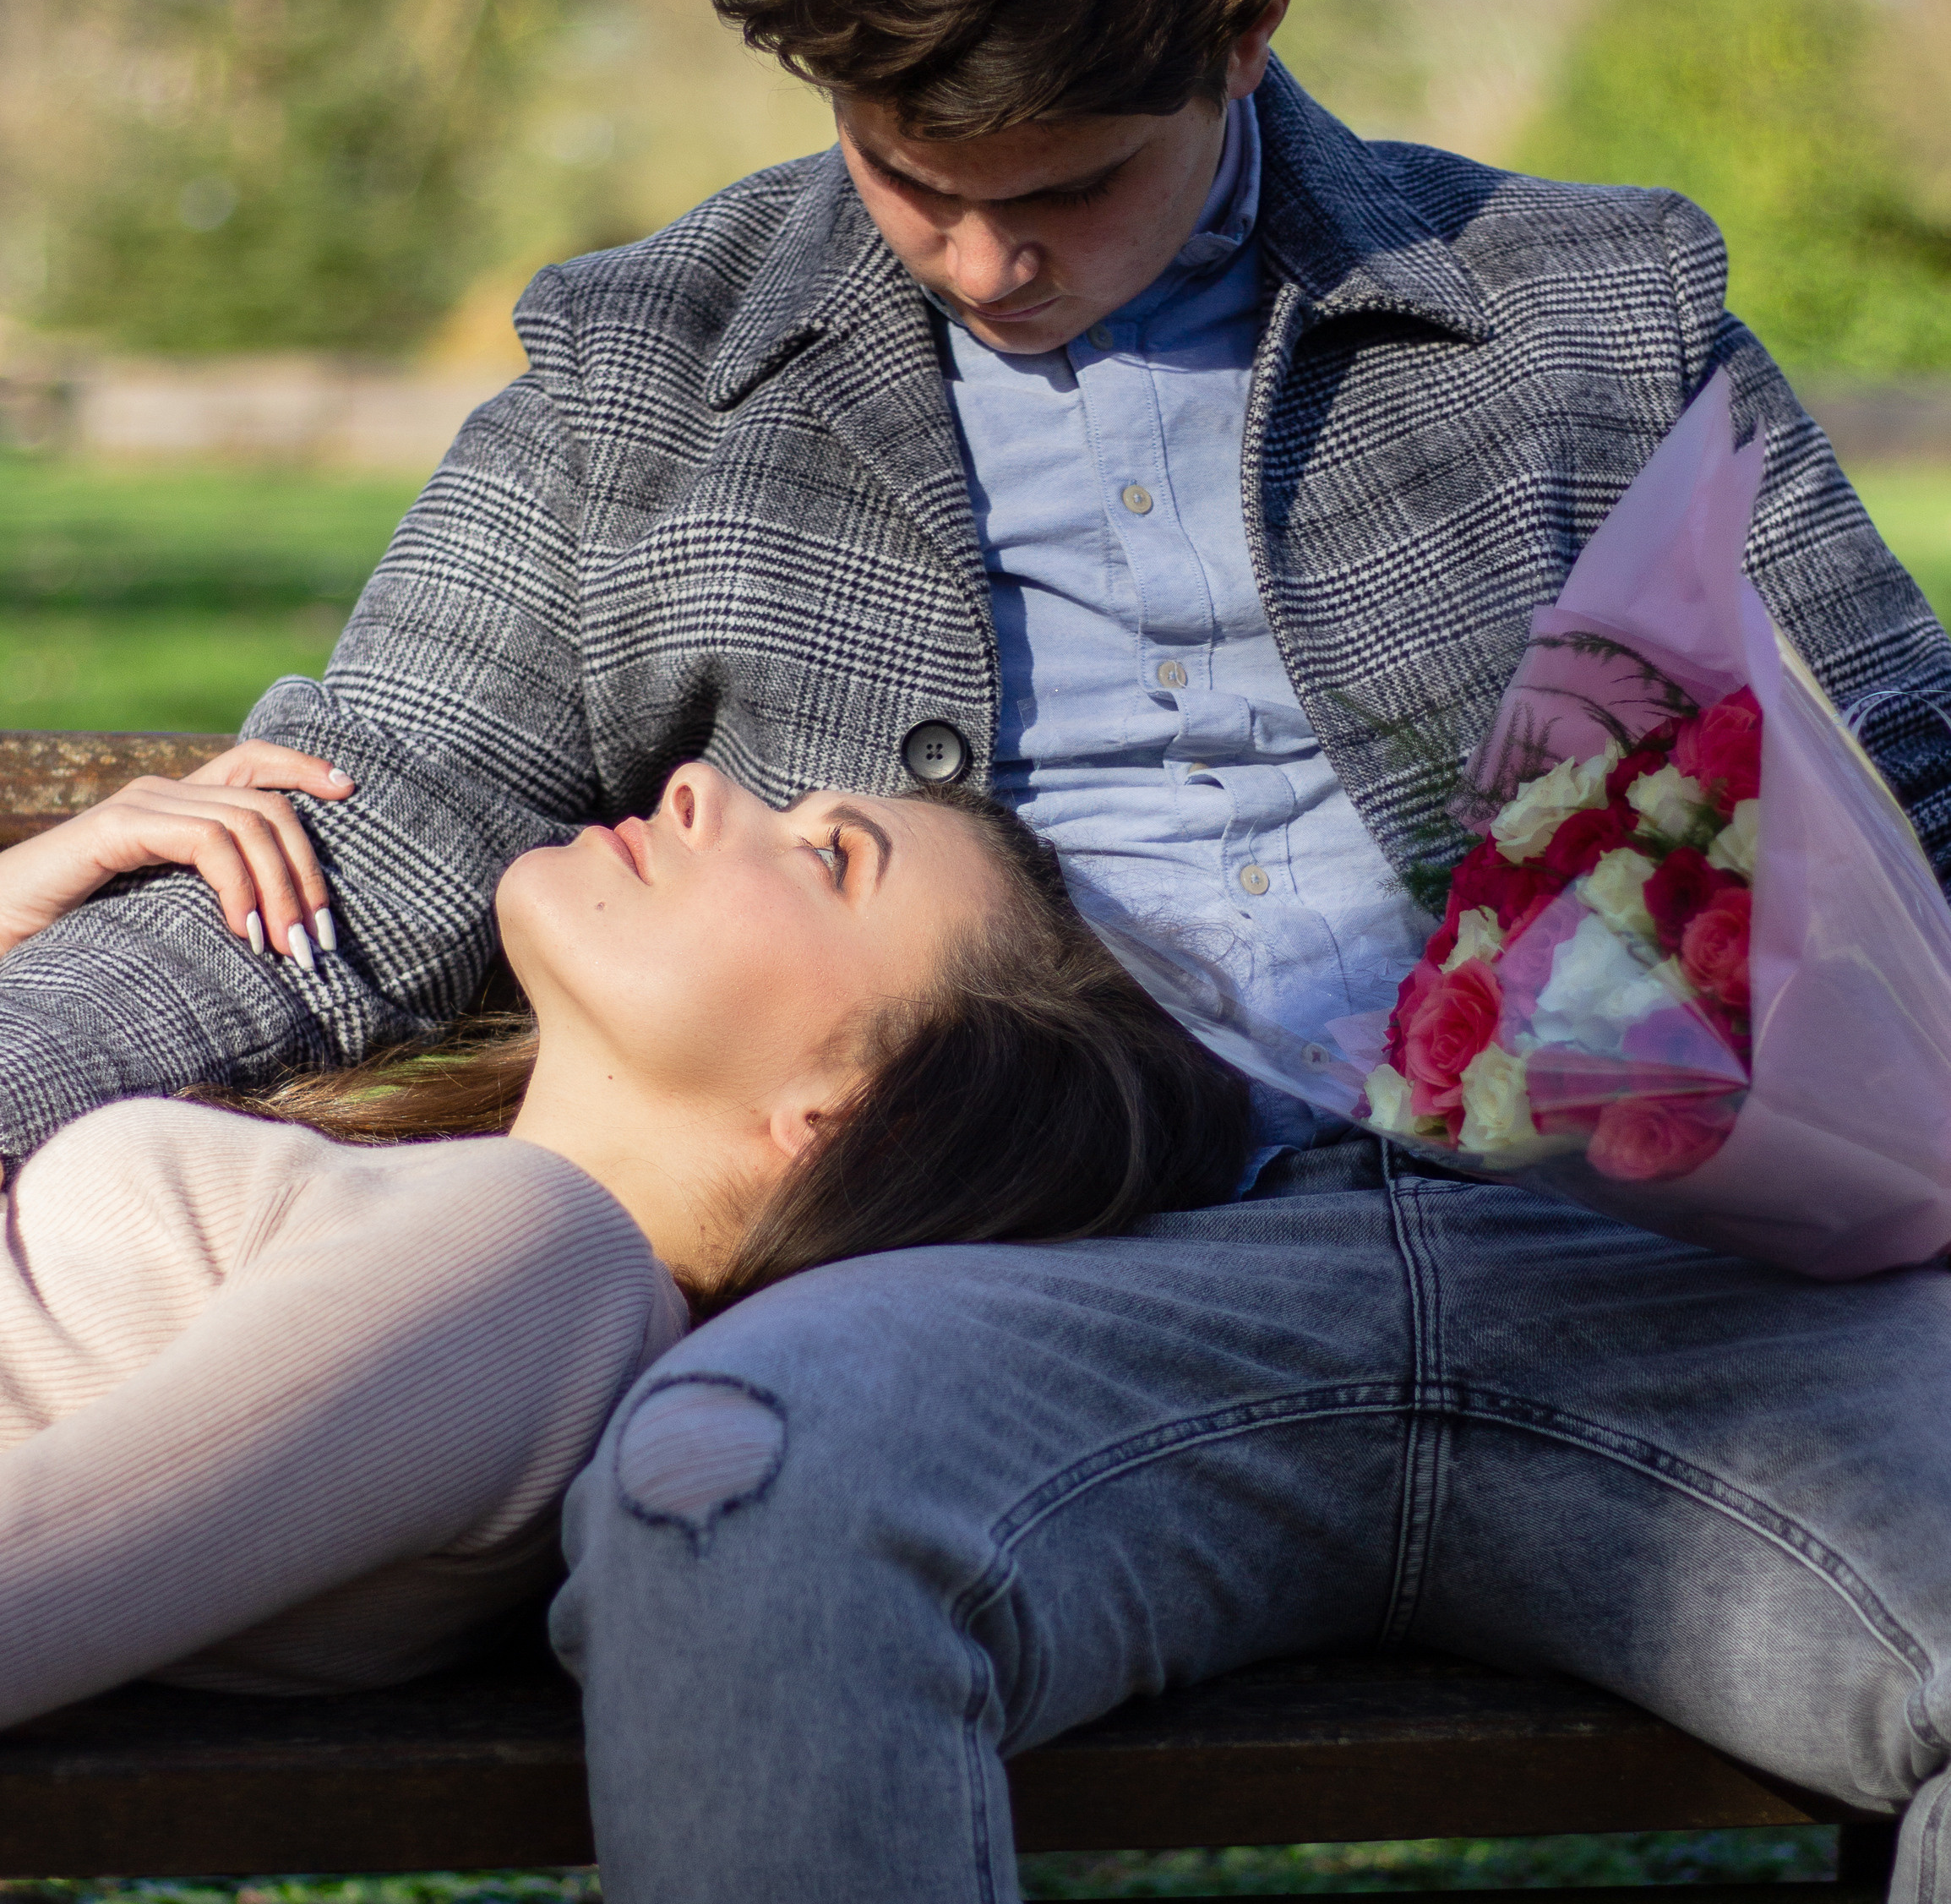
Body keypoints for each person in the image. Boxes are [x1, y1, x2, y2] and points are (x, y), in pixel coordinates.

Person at [0, 0, 1948, 1904]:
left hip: (1658, 1270)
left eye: (1073, 181)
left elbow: (1898, 769)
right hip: (1014, 1297)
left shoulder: (1583, 314)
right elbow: (392, 813)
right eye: (910, 174)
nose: (985, 253)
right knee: (731, 1514)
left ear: (1244, 27)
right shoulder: (647, 368)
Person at [0, 738, 1246, 1732]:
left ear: (866, 1115)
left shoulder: (530, 1269)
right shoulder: (504, 1245)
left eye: (827, 861)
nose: (698, 785)